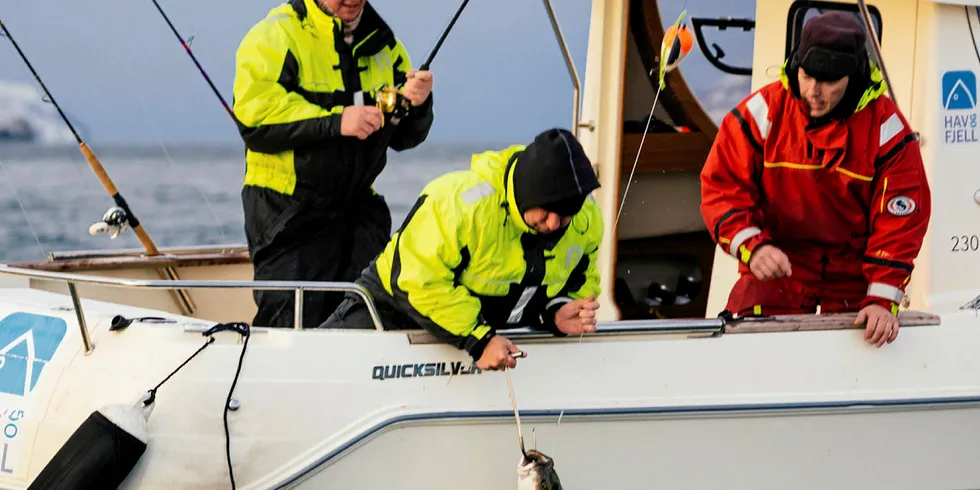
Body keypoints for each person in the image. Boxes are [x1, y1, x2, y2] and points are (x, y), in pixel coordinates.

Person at [699, 11, 931, 348]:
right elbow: (722, 188)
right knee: (742, 354)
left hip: (852, 281)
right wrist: (754, 246)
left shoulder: (887, 130)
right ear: (796, 65)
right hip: (776, 270)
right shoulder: (762, 113)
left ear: (853, 76)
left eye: (829, 81)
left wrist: (883, 299)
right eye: (807, 76)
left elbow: (901, 221)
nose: (814, 92)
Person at [321, 128, 604, 371]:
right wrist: (478, 340)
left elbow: (581, 281)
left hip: (482, 339)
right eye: (546, 210)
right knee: (320, 365)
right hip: (392, 313)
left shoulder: (586, 220)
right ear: (524, 192)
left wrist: (557, 311)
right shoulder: (459, 205)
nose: (554, 223)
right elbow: (420, 282)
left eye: (566, 215)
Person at [232, 0, 435, 328]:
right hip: (288, 214)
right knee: (290, 328)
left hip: (357, 214)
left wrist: (419, 105)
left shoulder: (387, 46)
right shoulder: (275, 34)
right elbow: (256, 120)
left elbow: (403, 138)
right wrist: (337, 122)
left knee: (367, 322)